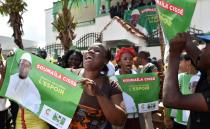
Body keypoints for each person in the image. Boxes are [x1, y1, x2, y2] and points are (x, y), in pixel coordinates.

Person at [68, 43, 127, 129]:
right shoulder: (68, 74)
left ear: (106, 60)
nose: (90, 51)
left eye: (97, 50)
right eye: (88, 50)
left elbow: (120, 121)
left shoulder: (111, 85)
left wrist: (99, 93)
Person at [163, 32, 210, 129]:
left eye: (207, 46)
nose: (202, 49)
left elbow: (170, 100)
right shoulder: (207, 72)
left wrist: (174, 54)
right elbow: (199, 59)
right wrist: (185, 40)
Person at [113, 47, 141, 129]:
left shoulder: (138, 77)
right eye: (125, 59)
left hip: (136, 117)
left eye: (130, 59)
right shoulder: (114, 78)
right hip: (121, 117)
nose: (128, 61)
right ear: (119, 62)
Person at [138, 51, 158, 129]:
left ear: (142, 58)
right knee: (145, 116)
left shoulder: (151, 66)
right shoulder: (142, 67)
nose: (138, 59)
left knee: (147, 116)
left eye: (139, 57)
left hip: (148, 94)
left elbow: (155, 79)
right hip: (142, 94)